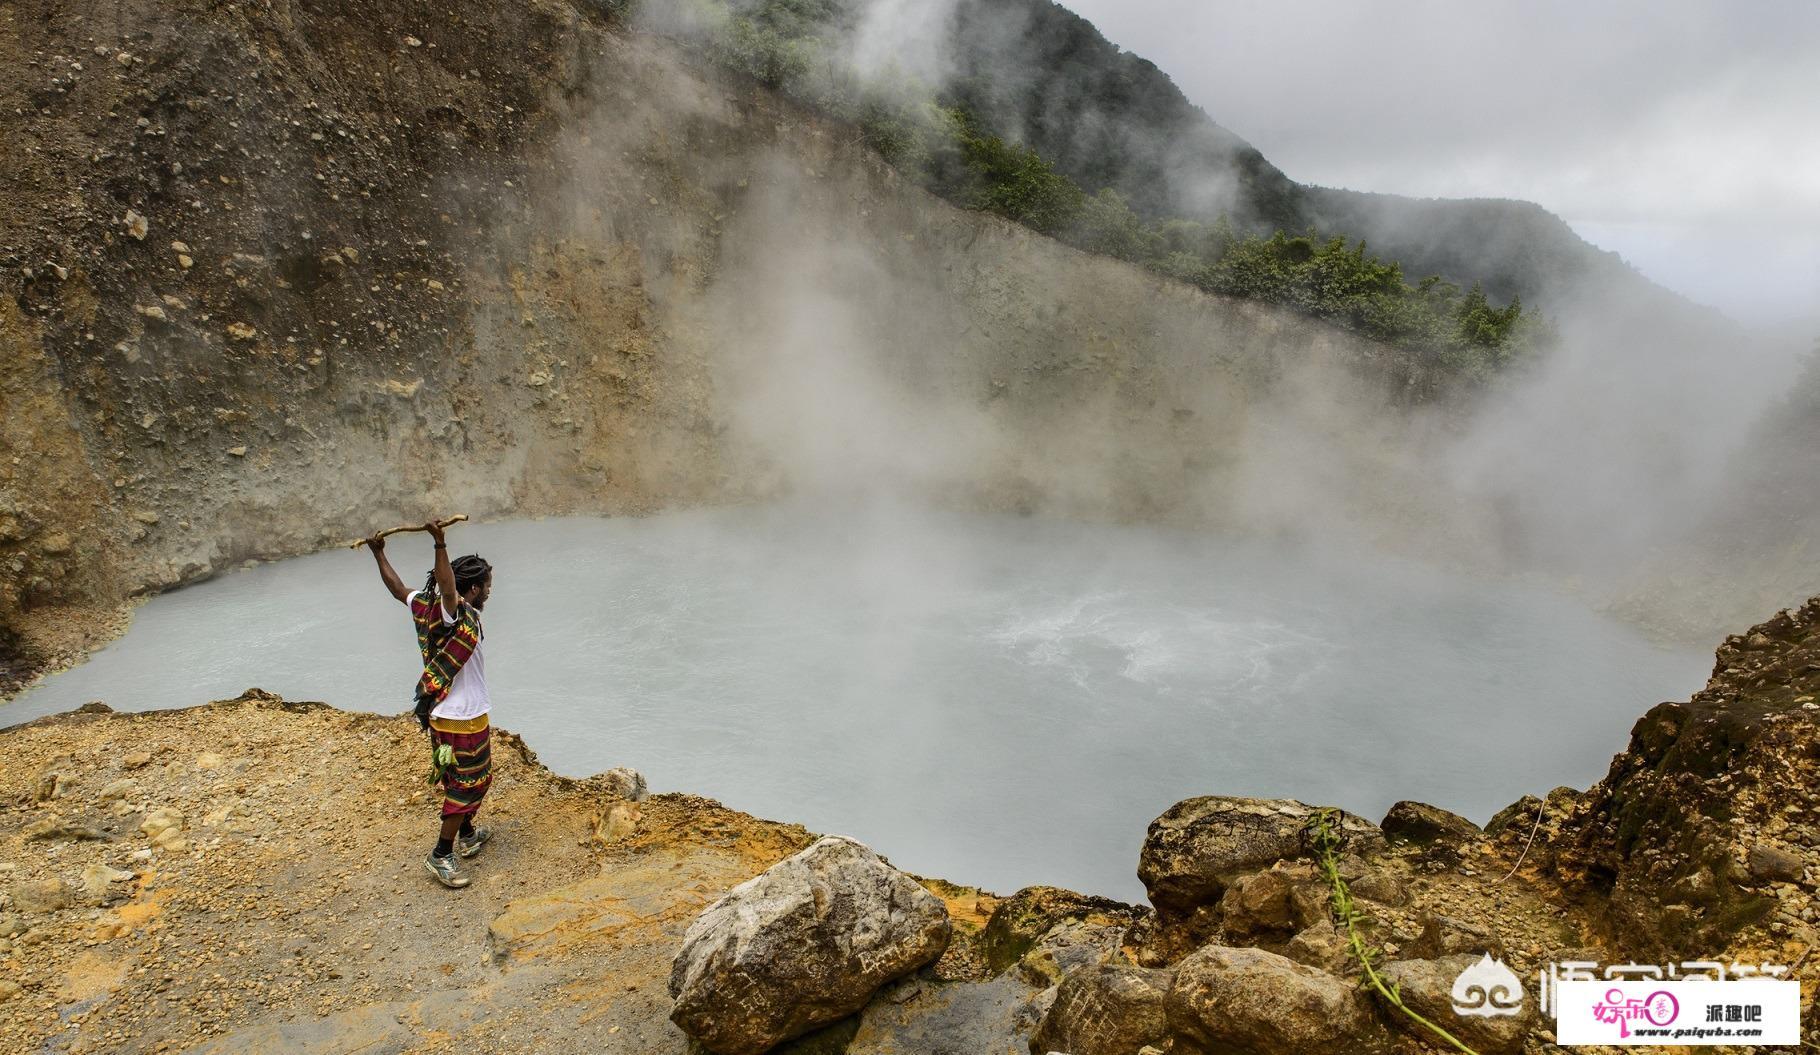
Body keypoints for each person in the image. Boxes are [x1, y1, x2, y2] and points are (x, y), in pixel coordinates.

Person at [367, 520, 495, 889]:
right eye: (486, 587)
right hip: (460, 717)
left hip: (457, 713)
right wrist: (440, 544)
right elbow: (448, 589)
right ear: (472, 588)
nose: (489, 593)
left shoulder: (424, 605)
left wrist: (379, 553)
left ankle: (468, 834)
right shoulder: (450, 612)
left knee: (473, 778)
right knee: (464, 785)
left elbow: (396, 589)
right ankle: (441, 853)